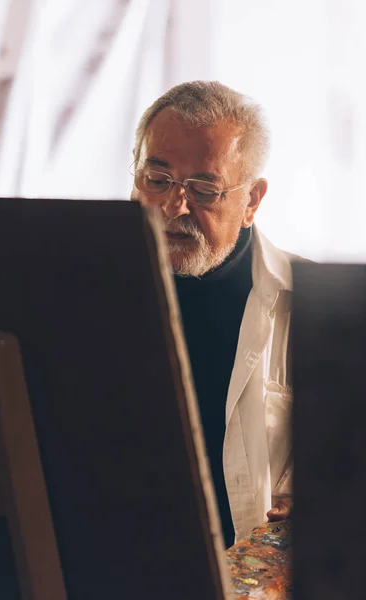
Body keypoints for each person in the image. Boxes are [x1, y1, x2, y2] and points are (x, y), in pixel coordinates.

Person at [131, 81, 294, 547]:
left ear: (252, 201)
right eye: (156, 180)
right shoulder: (82, 294)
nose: (173, 206)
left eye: (203, 189)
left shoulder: (317, 308)